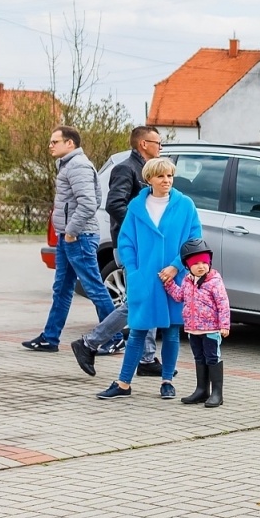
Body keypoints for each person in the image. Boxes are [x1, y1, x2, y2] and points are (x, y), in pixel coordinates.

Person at [96, 157, 202, 400]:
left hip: (174, 280)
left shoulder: (185, 205)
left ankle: (167, 381)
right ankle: (123, 383)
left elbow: (194, 241)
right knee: (137, 331)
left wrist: (176, 267)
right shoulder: (136, 207)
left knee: (173, 332)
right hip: (144, 279)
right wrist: (134, 273)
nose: (167, 181)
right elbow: (126, 243)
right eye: (161, 176)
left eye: (170, 176)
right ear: (149, 179)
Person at [71, 126, 163, 377]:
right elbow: (114, 204)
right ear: (143, 144)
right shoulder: (126, 168)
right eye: (157, 142)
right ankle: (88, 343)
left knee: (149, 300)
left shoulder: (146, 170)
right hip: (131, 245)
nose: (161, 146)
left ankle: (146, 359)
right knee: (137, 303)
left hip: (145, 246)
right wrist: (142, 225)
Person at [25, 125, 115, 352]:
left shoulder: (78, 165)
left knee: (94, 287)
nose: (50, 146)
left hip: (80, 237)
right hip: (70, 237)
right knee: (62, 288)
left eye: (54, 142)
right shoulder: (69, 165)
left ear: (70, 144)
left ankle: (113, 338)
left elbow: (88, 203)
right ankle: (50, 337)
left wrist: (72, 231)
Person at [160, 237, 229, 407]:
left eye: (204, 262)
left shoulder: (214, 282)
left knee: (212, 357)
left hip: (211, 329)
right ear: (187, 265)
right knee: (199, 357)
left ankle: (217, 393)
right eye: (196, 263)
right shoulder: (187, 281)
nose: (201, 266)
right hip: (193, 329)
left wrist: (224, 325)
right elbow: (179, 296)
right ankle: (201, 390)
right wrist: (169, 285)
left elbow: (223, 303)